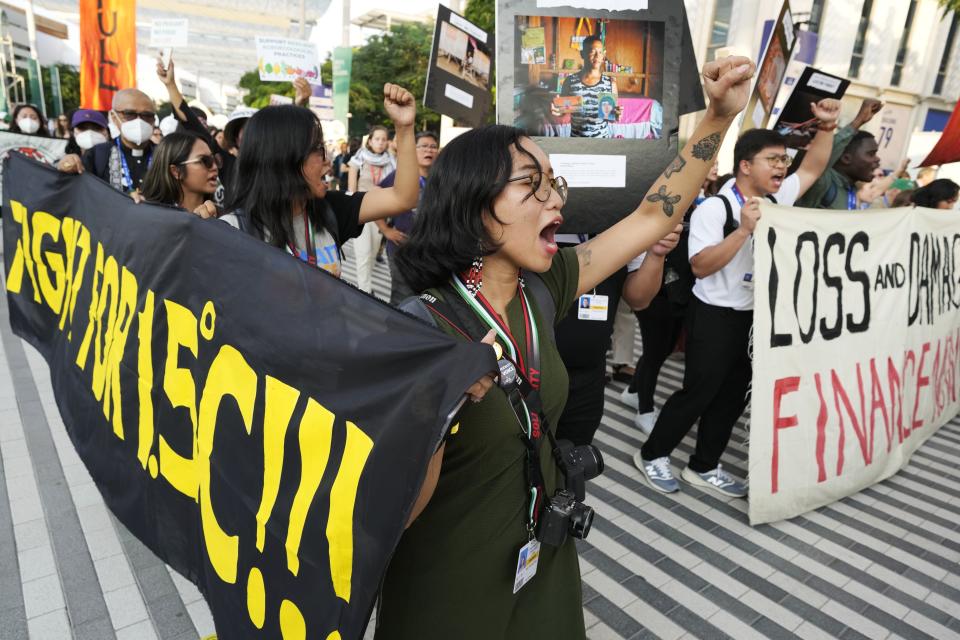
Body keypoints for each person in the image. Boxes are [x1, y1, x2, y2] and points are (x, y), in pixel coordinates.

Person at [379, 55, 756, 639]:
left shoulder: (542, 286)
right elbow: (391, 513)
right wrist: (441, 407)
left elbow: (652, 215)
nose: (556, 201)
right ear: (475, 205)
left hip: (542, 556)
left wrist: (716, 119)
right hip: (449, 578)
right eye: (533, 185)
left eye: (554, 183)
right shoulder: (421, 332)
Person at [632, 98, 841, 498]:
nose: (782, 166)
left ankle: (704, 465)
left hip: (753, 318)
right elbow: (700, 266)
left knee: (732, 396)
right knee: (699, 390)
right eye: (772, 159)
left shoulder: (779, 199)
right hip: (713, 314)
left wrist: (828, 128)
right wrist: (742, 231)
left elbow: (813, 166)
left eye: (783, 159)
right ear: (746, 165)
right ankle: (653, 454)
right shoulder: (717, 207)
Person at [220, 84, 419, 283]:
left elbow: (402, 198)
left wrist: (404, 128)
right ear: (284, 159)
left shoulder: (330, 209)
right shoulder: (230, 230)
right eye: (317, 149)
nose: (328, 159)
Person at [56, 89, 157, 196]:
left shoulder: (165, 154)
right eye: (129, 114)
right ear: (114, 117)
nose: (139, 121)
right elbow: (75, 191)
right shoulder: (97, 154)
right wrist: (66, 166)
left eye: (147, 115)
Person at [376, 130, 438, 304]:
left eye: (433, 147)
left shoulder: (440, 177)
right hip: (401, 248)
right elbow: (374, 197)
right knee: (402, 297)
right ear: (413, 150)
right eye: (424, 146)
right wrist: (386, 230)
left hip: (429, 250)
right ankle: (396, 330)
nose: (429, 150)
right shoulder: (400, 175)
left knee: (424, 297)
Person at [796, 98, 883, 210]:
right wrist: (858, 121)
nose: (878, 159)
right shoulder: (823, 182)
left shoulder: (851, 189)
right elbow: (822, 159)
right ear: (846, 158)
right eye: (871, 154)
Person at [348, 125, 396, 293]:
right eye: (377, 139)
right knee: (363, 254)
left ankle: (366, 287)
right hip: (361, 210)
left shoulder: (392, 161)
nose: (381, 142)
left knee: (373, 253)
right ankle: (364, 291)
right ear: (370, 140)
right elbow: (352, 189)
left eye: (384, 139)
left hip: (382, 213)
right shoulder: (358, 159)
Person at [140, 131, 220, 218]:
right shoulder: (150, 217)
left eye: (215, 160)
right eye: (205, 161)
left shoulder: (224, 218)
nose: (214, 167)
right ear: (176, 171)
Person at [557, 35, 619, 138]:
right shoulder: (570, 82)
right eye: (593, 51)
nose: (597, 56)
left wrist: (616, 115)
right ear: (582, 54)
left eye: (600, 52)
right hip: (577, 142)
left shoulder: (609, 83)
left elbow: (609, 117)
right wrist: (557, 110)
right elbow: (563, 111)